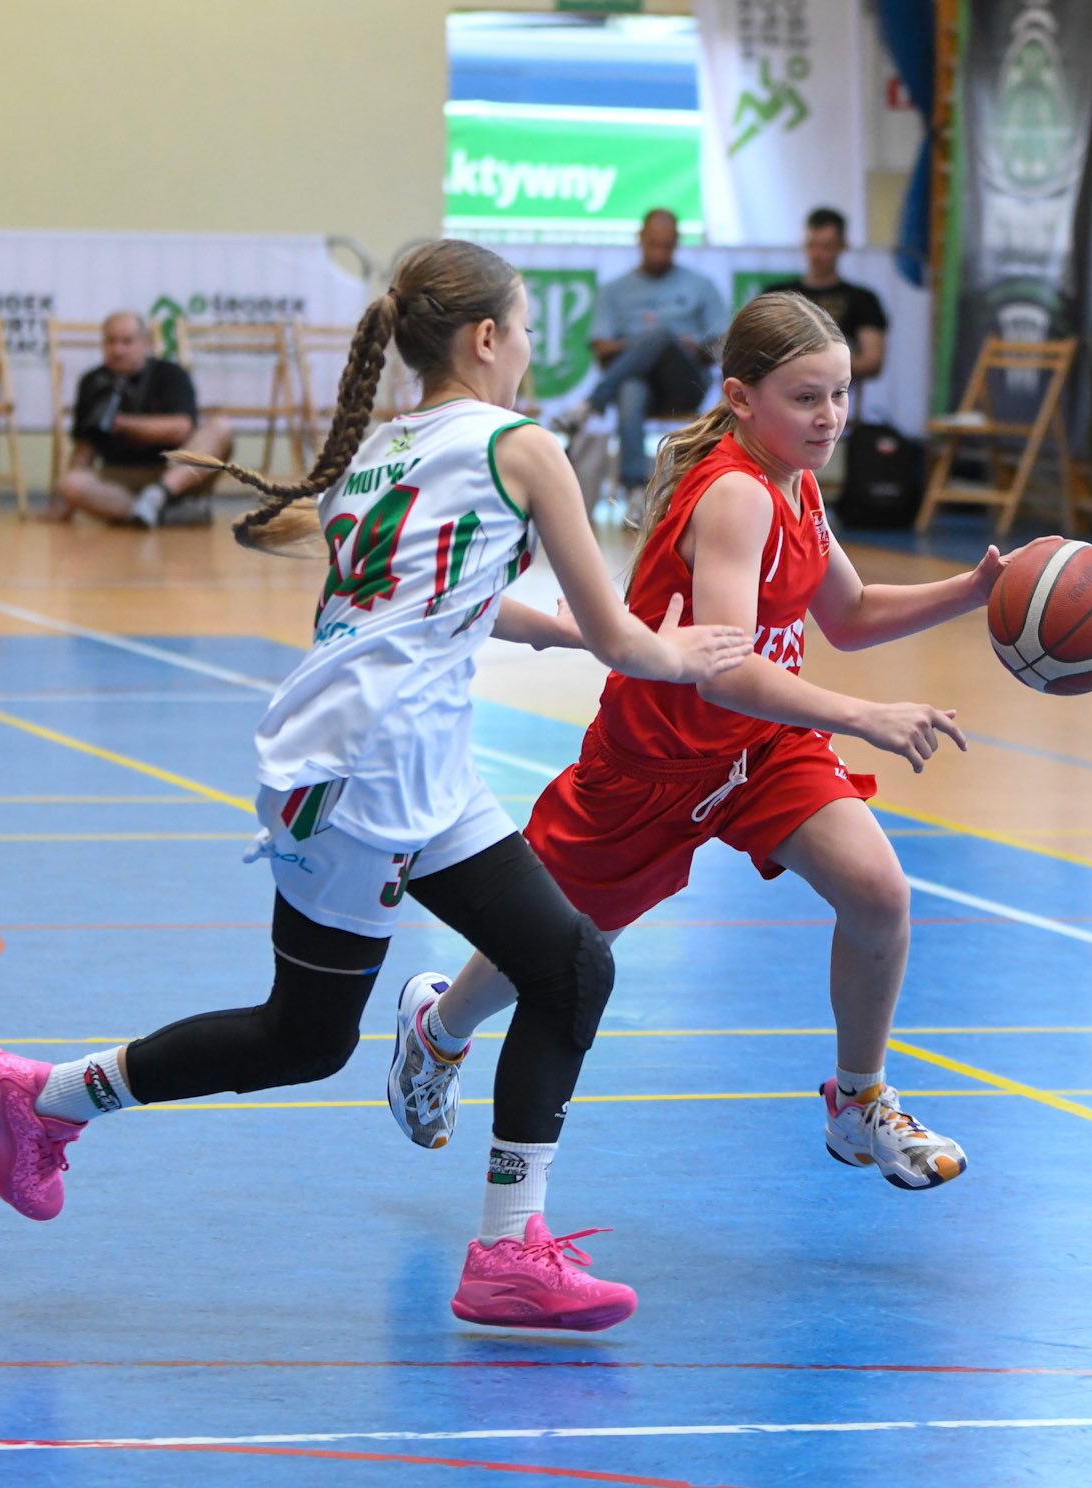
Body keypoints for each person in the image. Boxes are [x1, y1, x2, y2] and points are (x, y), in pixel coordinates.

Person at [0, 240, 749, 1332]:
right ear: (484, 337)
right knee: (315, 1035)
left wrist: (545, 632)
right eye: (523, 329)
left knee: (562, 966)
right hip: (369, 770)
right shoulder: (523, 446)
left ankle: (506, 1248)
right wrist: (683, 653)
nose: (528, 349)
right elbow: (624, 636)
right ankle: (48, 1097)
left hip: (390, 757)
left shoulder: (388, 446)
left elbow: (422, 597)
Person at [394, 294, 1057, 1196]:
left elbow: (849, 614)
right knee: (557, 948)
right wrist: (862, 716)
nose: (829, 417)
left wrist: (972, 591)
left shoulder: (796, 484)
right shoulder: (738, 494)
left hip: (762, 748)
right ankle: (437, 1031)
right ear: (741, 398)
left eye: (840, 394)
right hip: (654, 762)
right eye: (805, 398)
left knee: (877, 892)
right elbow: (722, 670)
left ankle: (857, 1100)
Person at [554, 208, 725, 524]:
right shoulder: (615, 289)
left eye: (667, 246)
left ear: (677, 243)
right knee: (633, 385)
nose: (660, 253)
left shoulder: (701, 285)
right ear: (640, 240)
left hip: (685, 385)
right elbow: (601, 347)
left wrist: (684, 346)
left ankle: (590, 406)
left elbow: (721, 344)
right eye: (653, 245)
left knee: (658, 334)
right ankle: (635, 492)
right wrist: (646, 345)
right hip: (637, 389)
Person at [51, 311, 233, 529]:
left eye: (127, 341)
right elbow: (84, 448)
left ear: (145, 343)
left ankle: (157, 496)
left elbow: (181, 429)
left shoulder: (170, 374)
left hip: (174, 473)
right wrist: (69, 505)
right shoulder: (91, 382)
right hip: (119, 479)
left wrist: (124, 424)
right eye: (111, 341)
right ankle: (156, 514)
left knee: (220, 427)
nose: (118, 350)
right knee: (70, 483)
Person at [765, 207, 888, 382]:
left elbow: (872, 361)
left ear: (843, 246)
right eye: (812, 245)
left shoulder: (863, 300)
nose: (816, 255)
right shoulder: (777, 296)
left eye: (826, 247)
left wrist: (810, 362)